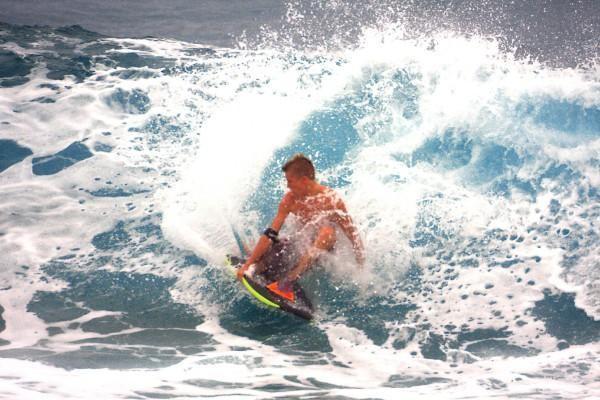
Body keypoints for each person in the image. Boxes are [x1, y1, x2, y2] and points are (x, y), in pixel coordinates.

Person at [237, 153, 365, 300]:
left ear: (304, 180)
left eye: (290, 181)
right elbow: (271, 234)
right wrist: (248, 263)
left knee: (327, 231)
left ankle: (288, 281)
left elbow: (353, 235)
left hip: (324, 252)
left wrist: (361, 265)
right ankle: (257, 265)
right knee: (271, 253)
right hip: (300, 246)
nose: (287, 186)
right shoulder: (290, 200)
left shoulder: (332, 200)